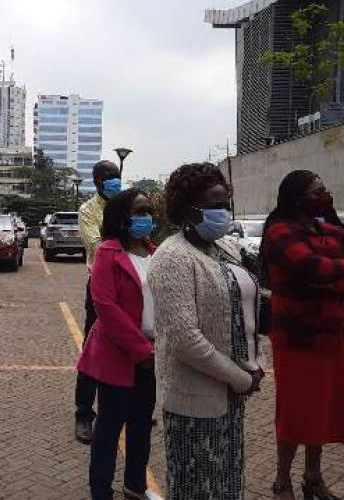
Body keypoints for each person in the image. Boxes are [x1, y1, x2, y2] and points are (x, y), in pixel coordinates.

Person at [148, 163, 264, 500]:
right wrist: (240, 378)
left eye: (225, 204)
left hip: (231, 396)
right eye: (214, 206)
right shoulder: (172, 258)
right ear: (186, 210)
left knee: (227, 484)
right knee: (197, 489)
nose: (223, 213)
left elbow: (247, 309)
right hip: (194, 401)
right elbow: (185, 339)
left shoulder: (226, 248)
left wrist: (256, 362)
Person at [261, 171, 344, 500]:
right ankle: (282, 480)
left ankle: (313, 477)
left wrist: (330, 282)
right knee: (295, 411)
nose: (326, 193)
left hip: (332, 335)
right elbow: (311, 267)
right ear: (298, 198)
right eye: (318, 190)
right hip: (298, 340)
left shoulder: (330, 231)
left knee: (324, 409)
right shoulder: (280, 233)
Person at [77, 188, 157, 500]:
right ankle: (101, 492)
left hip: (151, 355)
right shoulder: (108, 254)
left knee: (141, 428)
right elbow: (106, 308)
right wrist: (141, 351)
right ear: (122, 217)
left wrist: (155, 349)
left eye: (149, 211)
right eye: (139, 212)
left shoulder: (156, 253)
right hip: (118, 357)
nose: (146, 217)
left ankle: (135, 487)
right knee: (108, 431)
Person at [75, 160, 122, 444]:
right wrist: (118, 229)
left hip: (127, 283)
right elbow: (97, 245)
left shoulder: (128, 205)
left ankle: (127, 405)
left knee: (129, 342)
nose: (113, 182)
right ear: (97, 182)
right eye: (108, 178)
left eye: (116, 177)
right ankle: (83, 413)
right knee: (93, 346)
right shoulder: (88, 210)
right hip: (101, 283)